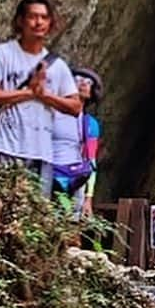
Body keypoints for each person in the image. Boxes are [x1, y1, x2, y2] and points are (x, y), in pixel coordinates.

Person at [0, 0, 81, 197]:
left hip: (41, 152)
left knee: (34, 217)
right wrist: (28, 93)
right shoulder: (1, 54)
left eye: (44, 17)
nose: (38, 22)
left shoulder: (57, 66)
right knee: (0, 208)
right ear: (20, 21)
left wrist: (44, 96)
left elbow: (75, 106)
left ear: (51, 23)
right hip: (5, 146)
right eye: (33, 17)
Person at [51, 68, 103, 219]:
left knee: (70, 230)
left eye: (88, 83)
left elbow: (91, 160)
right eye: (78, 80)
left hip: (75, 180)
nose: (83, 84)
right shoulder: (50, 113)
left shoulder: (89, 124)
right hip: (48, 175)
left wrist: (88, 197)